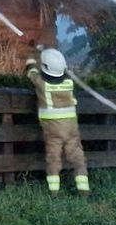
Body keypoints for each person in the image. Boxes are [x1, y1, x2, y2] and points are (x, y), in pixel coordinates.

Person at [24, 47, 89, 197]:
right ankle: (84, 190)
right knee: (78, 158)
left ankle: (54, 192)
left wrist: (32, 56)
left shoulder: (42, 84)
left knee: (53, 159)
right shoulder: (68, 82)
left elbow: (31, 71)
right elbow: (62, 71)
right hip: (71, 128)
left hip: (53, 130)